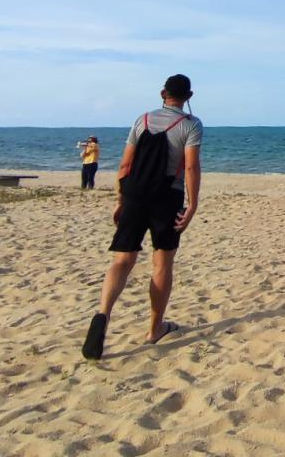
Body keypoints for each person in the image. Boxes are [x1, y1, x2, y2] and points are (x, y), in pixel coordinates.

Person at [82, 75, 203, 360]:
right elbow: (191, 167)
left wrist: (120, 200)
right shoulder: (191, 124)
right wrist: (193, 204)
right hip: (166, 197)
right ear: (189, 96)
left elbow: (126, 164)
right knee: (162, 262)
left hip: (135, 195)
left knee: (122, 259)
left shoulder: (142, 120)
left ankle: (102, 314)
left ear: (163, 93)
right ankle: (154, 328)